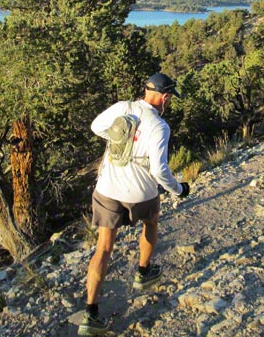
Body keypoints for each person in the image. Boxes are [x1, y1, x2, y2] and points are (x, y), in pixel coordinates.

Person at [78, 72, 190, 336]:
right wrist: (178, 189)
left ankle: (90, 315)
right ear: (164, 96)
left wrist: (117, 137)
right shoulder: (160, 126)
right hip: (140, 191)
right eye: (170, 98)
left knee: (103, 248)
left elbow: (96, 127)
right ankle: (144, 272)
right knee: (151, 222)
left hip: (108, 187)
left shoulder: (122, 108)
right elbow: (160, 170)